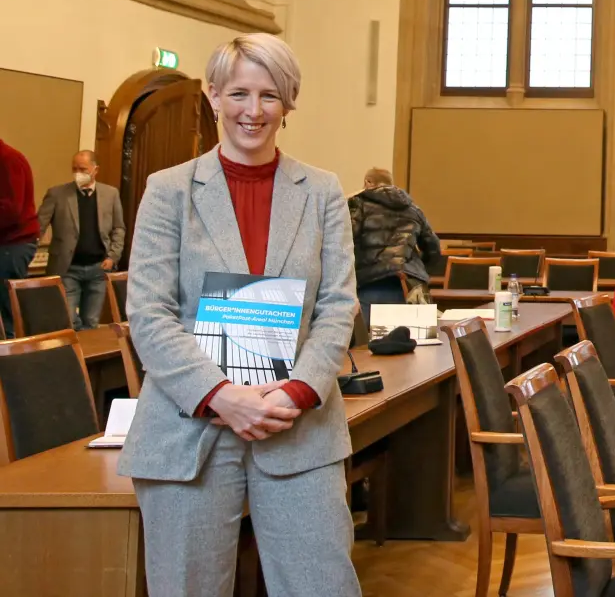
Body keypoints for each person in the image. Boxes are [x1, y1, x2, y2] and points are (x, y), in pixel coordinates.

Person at [119, 34, 360, 596]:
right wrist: (220, 394)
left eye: (270, 96)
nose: (253, 111)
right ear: (213, 96)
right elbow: (149, 313)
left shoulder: (322, 191)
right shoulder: (168, 190)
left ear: (289, 104)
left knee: (322, 586)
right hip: (189, 425)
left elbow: (337, 305)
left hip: (296, 423)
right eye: (239, 94)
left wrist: (295, 392)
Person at [36, 150, 126, 328]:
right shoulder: (57, 194)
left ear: (95, 169)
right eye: (74, 168)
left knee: (91, 321)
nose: (78, 173)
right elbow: (38, 226)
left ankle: (86, 355)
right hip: (68, 267)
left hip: (99, 268)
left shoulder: (111, 194)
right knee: (67, 320)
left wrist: (113, 256)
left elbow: (118, 228)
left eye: (83, 169)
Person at [347, 166, 440, 319]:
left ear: (367, 182)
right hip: (410, 286)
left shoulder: (358, 204)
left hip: (369, 284)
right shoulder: (413, 209)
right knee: (417, 340)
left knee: (367, 341)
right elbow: (434, 250)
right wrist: (419, 269)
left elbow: (345, 242)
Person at [0, 137, 40, 338]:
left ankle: (10, 359)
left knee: (7, 309)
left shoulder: (8, 159)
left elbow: (11, 209)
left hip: (13, 244)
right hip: (8, 243)